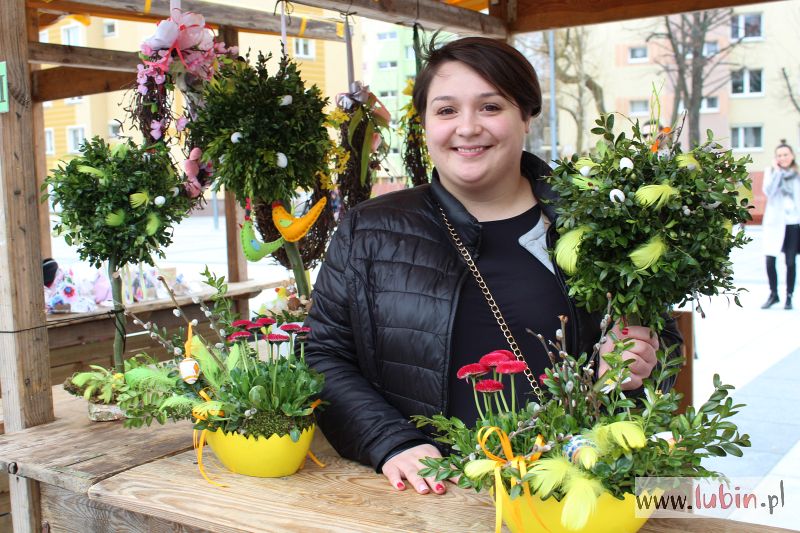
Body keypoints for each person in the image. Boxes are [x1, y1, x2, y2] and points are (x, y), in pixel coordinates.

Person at [304, 37, 682, 497]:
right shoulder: (369, 230)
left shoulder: (598, 223)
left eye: (490, 107)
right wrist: (391, 441)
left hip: (580, 485)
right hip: (433, 494)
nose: (467, 128)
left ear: (526, 116)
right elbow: (324, 354)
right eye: (446, 111)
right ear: (423, 124)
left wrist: (641, 362)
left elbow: (662, 344)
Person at [761, 140, 800, 310]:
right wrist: (777, 172)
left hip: (793, 223)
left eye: (785, 155)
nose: (783, 158)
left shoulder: (797, 174)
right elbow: (769, 191)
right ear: (775, 158)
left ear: (792, 156)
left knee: (790, 261)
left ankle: (789, 296)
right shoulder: (770, 172)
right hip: (774, 223)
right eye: (779, 155)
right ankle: (773, 294)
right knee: (770, 259)